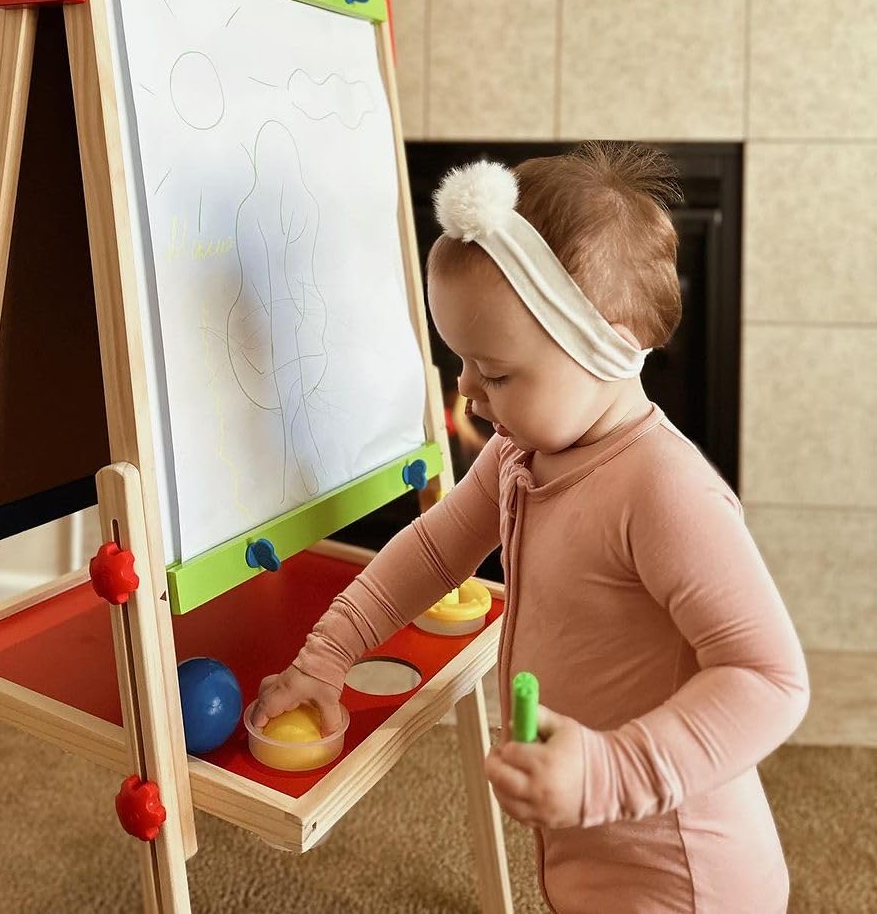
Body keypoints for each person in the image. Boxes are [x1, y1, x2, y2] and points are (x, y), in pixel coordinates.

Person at [253, 142, 809, 913]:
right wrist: (326, 657)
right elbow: (433, 548)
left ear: (607, 347)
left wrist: (611, 773)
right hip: (588, 844)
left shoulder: (664, 491)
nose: (469, 393)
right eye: (462, 363)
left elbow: (771, 681)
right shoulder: (522, 453)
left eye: (498, 372)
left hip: (683, 877)